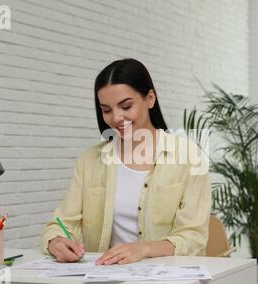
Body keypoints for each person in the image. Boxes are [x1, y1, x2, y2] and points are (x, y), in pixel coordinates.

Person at [41, 58, 211, 265]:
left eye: (126, 106)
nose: (116, 118)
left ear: (150, 99)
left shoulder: (189, 157)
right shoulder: (90, 160)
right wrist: (56, 241)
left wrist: (144, 248)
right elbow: (61, 223)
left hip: (169, 282)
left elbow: (193, 237)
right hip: (105, 279)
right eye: (106, 109)